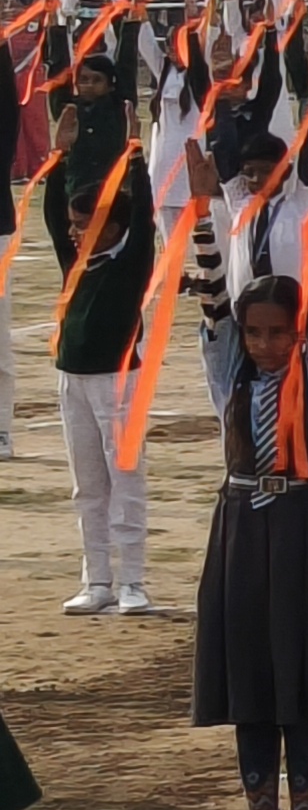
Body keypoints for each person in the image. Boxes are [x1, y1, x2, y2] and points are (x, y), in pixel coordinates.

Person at [197, 274, 308, 810]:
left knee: (303, 684)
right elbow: (212, 301)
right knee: (253, 688)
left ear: (300, 334)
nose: (266, 344)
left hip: (304, 524)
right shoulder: (229, 377)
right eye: (254, 333)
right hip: (240, 529)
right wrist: (204, 210)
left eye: (279, 333)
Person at [44, 45, 160, 616]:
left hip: (120, 381)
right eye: (73, 226)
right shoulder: (75, 262)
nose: (75, 234)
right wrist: (61, 157)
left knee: (126, 479)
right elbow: (49, 214)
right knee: (87, 485)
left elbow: (145, 218)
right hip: (72, 380)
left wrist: (135, 153)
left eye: (86, 226)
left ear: (110, 224)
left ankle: (134, 580)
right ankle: (97, 579)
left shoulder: (129, 258)